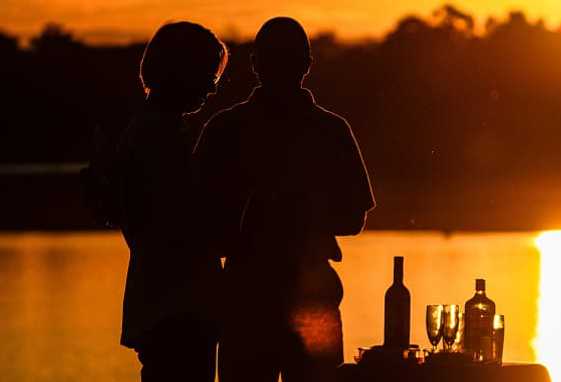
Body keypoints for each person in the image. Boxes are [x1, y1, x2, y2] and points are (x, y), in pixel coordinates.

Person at [194, 17, 375, 382]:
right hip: (277, 296)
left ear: (255, 63)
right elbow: (354, 218)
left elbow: (197, 219)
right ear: (307, 64)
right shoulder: (330, 130)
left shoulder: (226, 128)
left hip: (264, 296)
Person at [114, 22, 227, 382]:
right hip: (176, 308)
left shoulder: (157, 130)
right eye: (207, 75)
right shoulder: (157, 137)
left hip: (166, 304)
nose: (212, 88)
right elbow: (178, 225)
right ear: (180, 70)